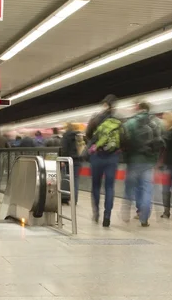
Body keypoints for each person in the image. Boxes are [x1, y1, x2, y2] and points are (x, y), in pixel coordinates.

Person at [122, 101, 164, 227]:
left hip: (133, 161)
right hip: (149, 162)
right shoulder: (157, 122)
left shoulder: (130, 123)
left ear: (138, 108)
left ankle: (126, 212)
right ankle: (144, 218)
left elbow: (123, 141)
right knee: (146, 189)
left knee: (130, 188)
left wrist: (126, 156)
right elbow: (161, 142)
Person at [85, 95, 121, 227]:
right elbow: (124, 138)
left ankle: (96, 213)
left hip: (97, 156)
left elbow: (88, 134)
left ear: (105, 104)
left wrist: (95, 144)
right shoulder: (118, 121)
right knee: (109, 187)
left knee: (95, 186)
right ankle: (107, 217)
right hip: (112, 157)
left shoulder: (95, 119)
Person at [61, 123, 82, 204]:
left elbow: (64, 148)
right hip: (77, 160)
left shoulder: (66, 135)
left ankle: (67, 196)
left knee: (68, 179)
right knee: (75, 180)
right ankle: (74, 200)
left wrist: (63, 159)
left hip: (68, 160)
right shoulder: (78, 135)